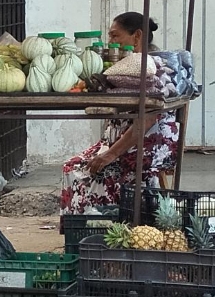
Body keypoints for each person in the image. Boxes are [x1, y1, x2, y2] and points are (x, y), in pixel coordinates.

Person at [61, 12, 181, 214]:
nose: (110, 41)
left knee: (94, 173)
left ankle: (107, 225)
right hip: (119, 142)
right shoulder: (126, 65)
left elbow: (148, 118)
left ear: (137, 36)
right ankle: (82, 231)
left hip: (146, 145)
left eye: (115, 36)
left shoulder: (154, 68)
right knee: (70, 166)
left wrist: (110, 155)